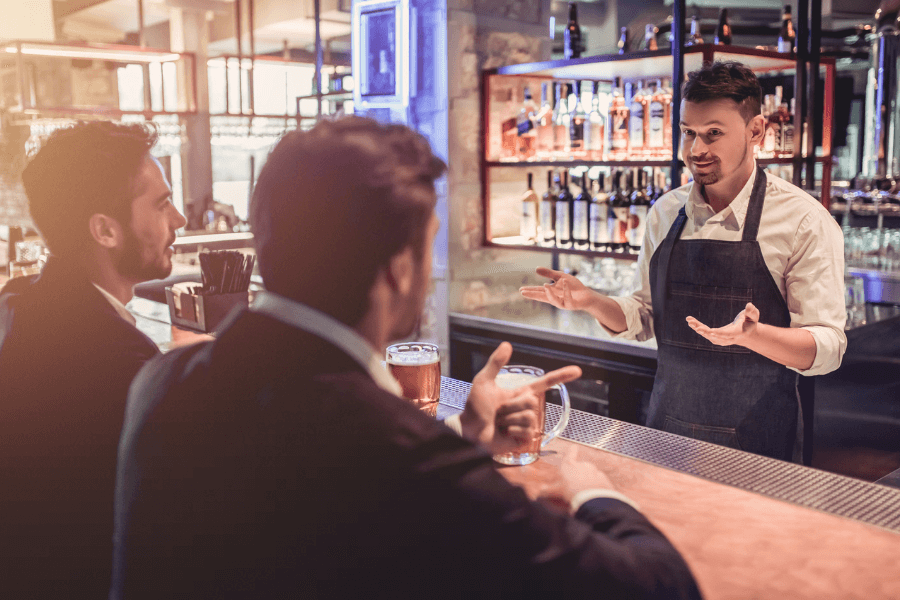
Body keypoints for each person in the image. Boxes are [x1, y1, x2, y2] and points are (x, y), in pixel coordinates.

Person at [111, 117, 701, 599]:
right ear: (398, 268)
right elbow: (662, 587)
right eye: (429, 243)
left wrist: (463, 438)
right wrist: (592, 491)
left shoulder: (162, 381)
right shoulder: (402, 455)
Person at [522, 61, 846, 462]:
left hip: (759, 450)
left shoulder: (803, 220)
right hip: (666, 437)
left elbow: (828, 347)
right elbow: (643, 316)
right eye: (688, 132)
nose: (696, 150)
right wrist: (591, 301)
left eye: (713, 134)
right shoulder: (665, 212)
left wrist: (753, 336)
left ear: (756, 131)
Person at [0, 121, 187, 595]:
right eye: (162, 204)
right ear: (105, 230)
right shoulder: (114, 358)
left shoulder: (25, 301)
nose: (180, 220)